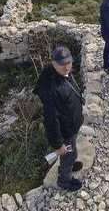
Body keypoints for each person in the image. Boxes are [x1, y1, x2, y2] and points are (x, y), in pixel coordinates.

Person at [34, 45, 85, 191]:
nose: (67, 67)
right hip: (65, 130)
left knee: (72, 151)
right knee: (68, 154)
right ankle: (64, 180)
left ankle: (69, 164)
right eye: (62, 64)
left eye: (68, 62)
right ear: (53, 63)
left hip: (71, 124)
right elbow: (51, 121)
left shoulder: (61, 73)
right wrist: (58, 145)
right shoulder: (51, 90)